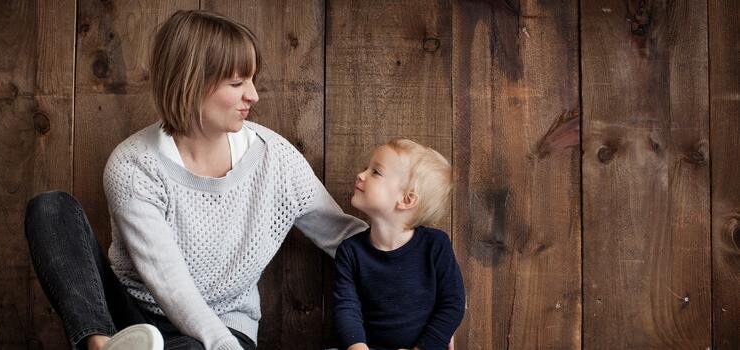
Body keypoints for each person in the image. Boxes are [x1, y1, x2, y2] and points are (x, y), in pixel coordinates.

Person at [24, 9, 367, 350]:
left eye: (251, 80)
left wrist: (419, 253)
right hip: (133, 319)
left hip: (224, 327)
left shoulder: (275, 158)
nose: (254, 95)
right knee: (50, 209)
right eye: (237, 83)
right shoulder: (133, 165)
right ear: (191, 83)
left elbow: (343, 237)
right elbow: (167, 280)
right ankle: (100, 345)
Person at [333, 139, 465, 350]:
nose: (361, 174)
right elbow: (346, 308)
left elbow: (453, 304)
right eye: (366, 168)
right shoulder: (350, 251)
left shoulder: (435, 246)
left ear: (406, 199)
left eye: (375, 172)